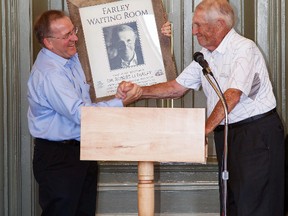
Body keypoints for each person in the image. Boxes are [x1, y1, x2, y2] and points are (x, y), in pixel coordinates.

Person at [117, 0, 285, 215]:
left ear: (219, 24)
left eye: (198, 25)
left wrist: (203, 130)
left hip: (256, 137)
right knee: (232, 204)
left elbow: (232, 96)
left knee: (256, 207)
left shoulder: (244, 49)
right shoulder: (206, 55)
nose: (194, 31)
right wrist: (138, 91)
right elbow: (176, 88)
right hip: (227, 136)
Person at [27, 10, 141, 216]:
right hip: (59, 158)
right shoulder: (50, 74)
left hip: (82, 151)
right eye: (67, 36)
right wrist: (121, 102)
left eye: (74, 31)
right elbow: (82, 115)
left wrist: (158, 35)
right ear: (48, 42)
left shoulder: (72, 58)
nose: (75, 38)